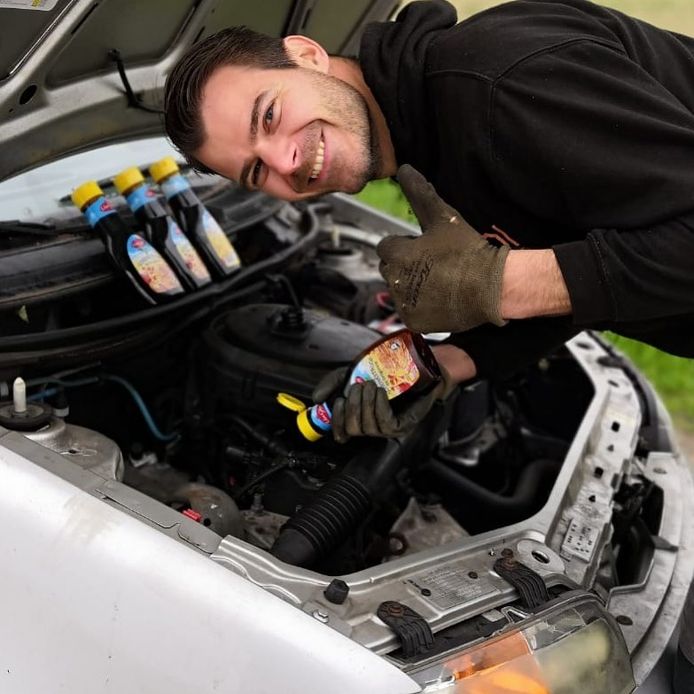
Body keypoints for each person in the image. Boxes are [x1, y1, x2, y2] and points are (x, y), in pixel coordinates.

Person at [164, 1, 694, 684]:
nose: (286, 162)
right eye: (255, 174)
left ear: (306, 54)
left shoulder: (498, 86)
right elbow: (593, 241)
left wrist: (502, 285)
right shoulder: (431, 132)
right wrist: (450, 362)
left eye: (269, 116)